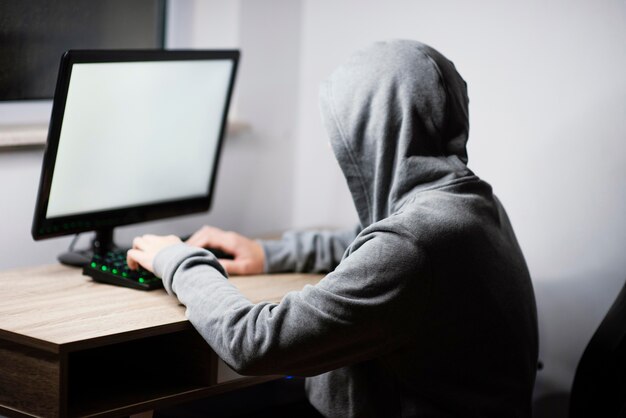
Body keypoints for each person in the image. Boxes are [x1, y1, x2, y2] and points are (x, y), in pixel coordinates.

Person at [127, 40, 538, 417]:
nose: (333, 147)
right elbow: (363, 242)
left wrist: (177, 260)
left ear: (378, 129)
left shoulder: (414, 244)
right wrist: (268, 253)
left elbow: (253, 344)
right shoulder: (469, 206)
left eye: (344, 132)